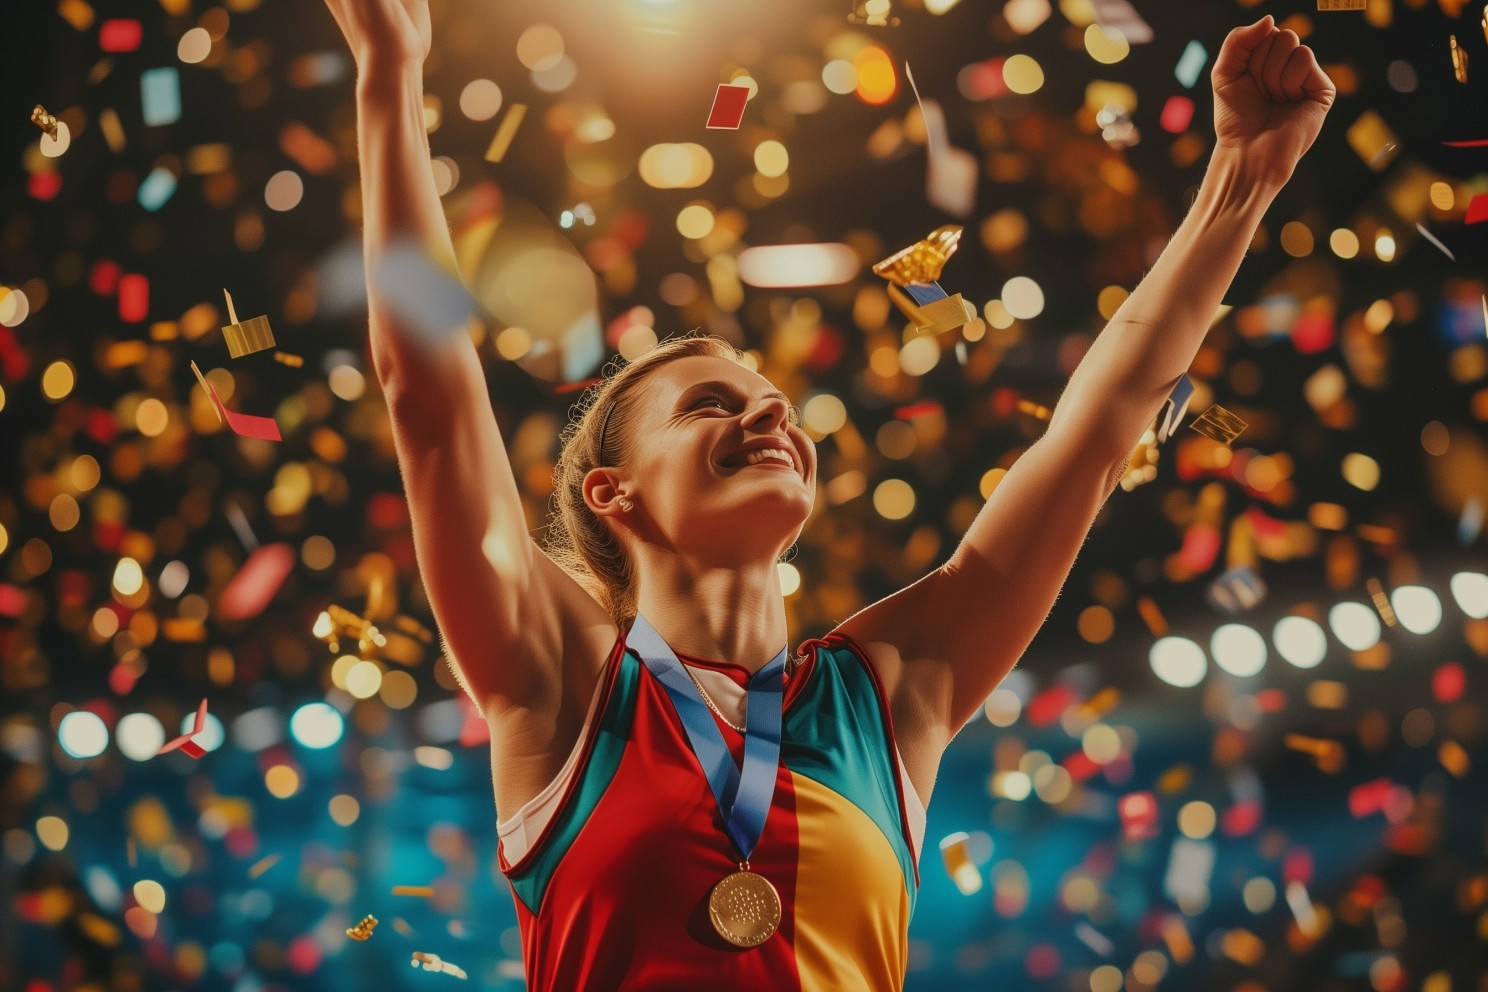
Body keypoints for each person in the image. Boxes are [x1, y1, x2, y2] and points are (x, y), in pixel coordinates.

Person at [321, 0, 1334, 987]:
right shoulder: (562, 681)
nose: (773, 420)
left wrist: (1243, 176)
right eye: (713, 405)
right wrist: (391, 71)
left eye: (778, 407)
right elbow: (429, 393)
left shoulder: (889, 694)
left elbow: (1098, 432)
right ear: (612, 491)